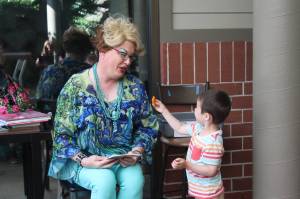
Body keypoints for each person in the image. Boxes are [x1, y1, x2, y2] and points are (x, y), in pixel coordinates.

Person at [48, 16, 159, 199]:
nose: (128, 61)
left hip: (122, 159)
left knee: (135, 180)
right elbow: (60, 137)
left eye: (131, 56)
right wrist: (84, 159)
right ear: (103, 49)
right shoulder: (76, 86)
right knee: (104, 180)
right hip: (82, 160)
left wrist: (137, 151)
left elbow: (148, 127)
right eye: (123, 54)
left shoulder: (134, 87)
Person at [153, 89, 231, 199]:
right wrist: (163, 110)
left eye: (197, 107)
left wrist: (187, 164)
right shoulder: (198, 128)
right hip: (200, 190)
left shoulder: (213, 142)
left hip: (209, 194)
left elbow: (210, 170)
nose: (194, 109)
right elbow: (179, 127)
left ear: (206, 116)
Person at [35, 26, 94, 101]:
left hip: (46, 111)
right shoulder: (89, 72)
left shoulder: (49, 70)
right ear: (87, 49)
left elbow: (39, 97)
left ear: (65, 47)